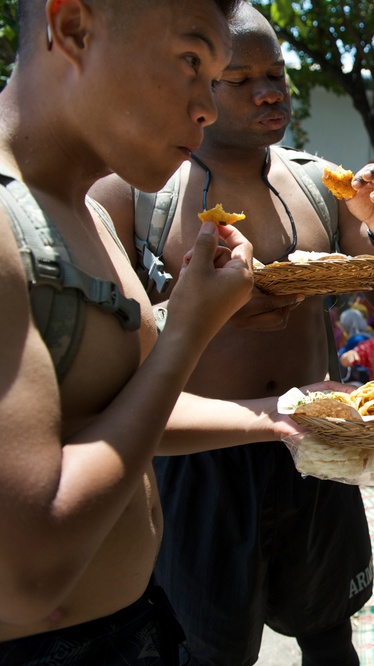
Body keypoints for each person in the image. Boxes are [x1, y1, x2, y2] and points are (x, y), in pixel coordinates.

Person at [89, 5, 374, 664]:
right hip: (197, 461)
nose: (267, 92)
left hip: (313, 444)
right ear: (198, 83)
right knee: (210, 652)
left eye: (276, 74)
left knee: (330, 635)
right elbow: (103, 357)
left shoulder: (322, 184)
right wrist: (198, 309)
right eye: (240, 79)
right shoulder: (136, 195)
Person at [0, 0, 262, 661]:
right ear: (73, 29)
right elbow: (28, 574)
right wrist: (189, 330)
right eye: (191, 61)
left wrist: (280, 415)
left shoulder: (82, 212)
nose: (208, 106)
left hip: (140, 621)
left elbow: (131, 413)